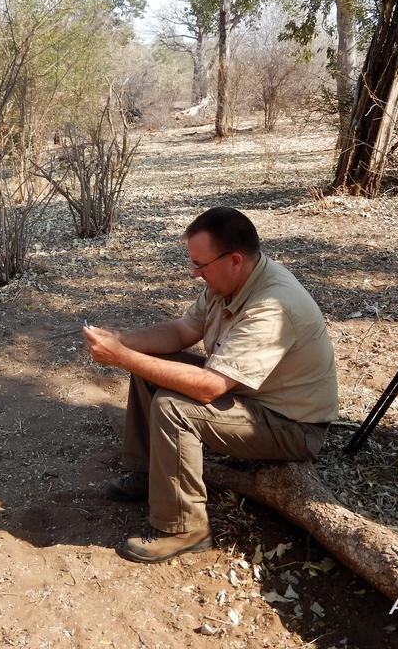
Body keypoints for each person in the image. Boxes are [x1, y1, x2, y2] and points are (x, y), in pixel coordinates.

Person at [83, 206, 338, 564]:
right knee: (151, 370)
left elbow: (209, 388)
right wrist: (123, 341)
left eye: (201, 266)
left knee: (174, 408)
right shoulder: (229, 282)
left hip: (292, 426)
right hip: (251, 397)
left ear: (234, 259)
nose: (194, 273)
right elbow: (181, 332)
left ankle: (185, 529)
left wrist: (121, 357)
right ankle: (150, 474)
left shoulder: (273, 305)